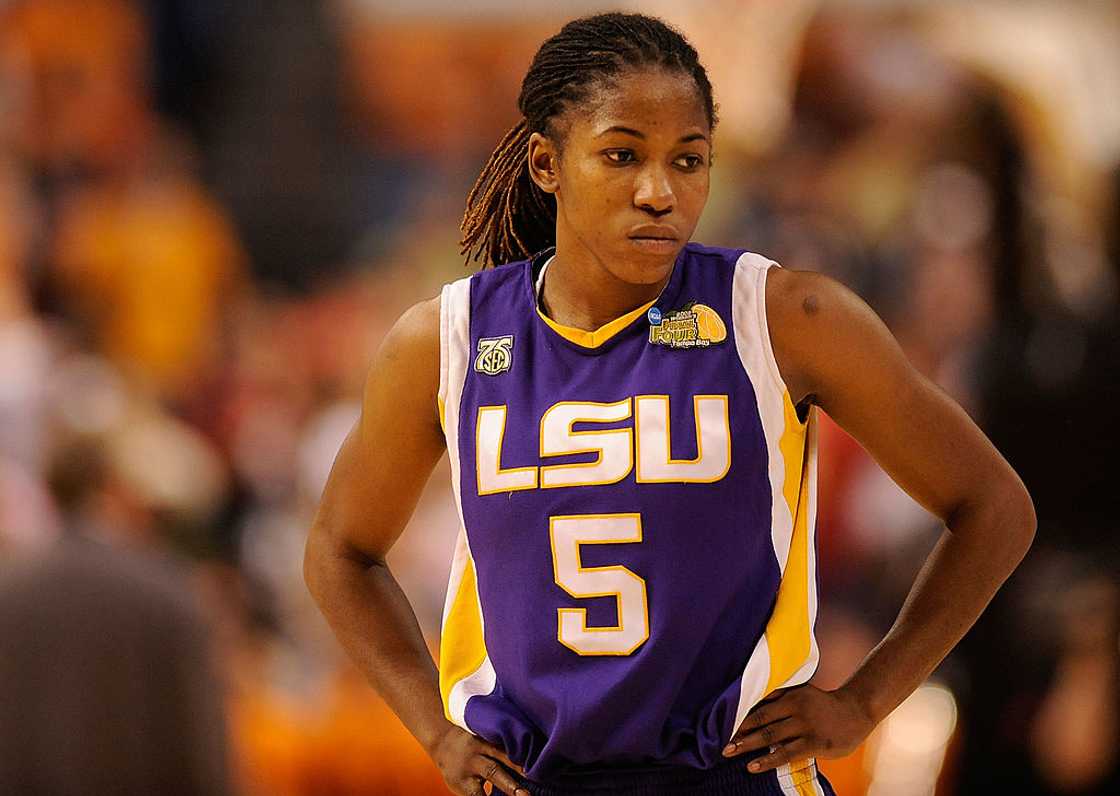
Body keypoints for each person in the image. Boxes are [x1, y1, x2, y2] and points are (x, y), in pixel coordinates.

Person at [303, 12, 1036, 796]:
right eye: (622, 155)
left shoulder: (786, 317)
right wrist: (435, 732)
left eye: (689, 160)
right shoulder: (446, 340)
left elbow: (994, 507)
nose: (660, 192)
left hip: (735, 779)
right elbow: (340, 553)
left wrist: (864, 700)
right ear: (548, 164)